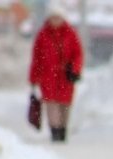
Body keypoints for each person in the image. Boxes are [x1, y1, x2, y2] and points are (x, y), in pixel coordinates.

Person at [29, 9, 84, 143]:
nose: (55, 21)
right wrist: (34, 77)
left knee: (65, 105)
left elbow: (78, 54)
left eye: (58, 18)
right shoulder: (43, 35)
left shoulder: (70, 34)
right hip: (48, 76)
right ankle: (55, 132)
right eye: (53, 18)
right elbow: (37, 58)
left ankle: (63, 130)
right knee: (51, 105)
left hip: (66, 77)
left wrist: (75, 69)